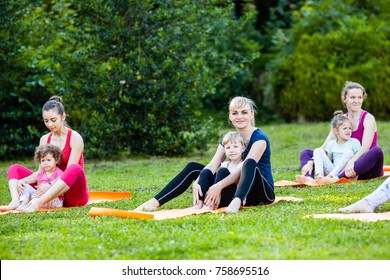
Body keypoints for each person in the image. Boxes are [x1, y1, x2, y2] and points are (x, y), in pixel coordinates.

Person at [135, 96, 275, 214]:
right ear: (230, 116)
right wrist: (199, 179)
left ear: (251, 115)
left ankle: (236, 203)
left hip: (259, 192)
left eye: (244, 112)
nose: (239, 117)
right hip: (234, 187)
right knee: (194, 168)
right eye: (235, 113)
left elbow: (243, 170)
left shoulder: (259, 139)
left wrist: (218, 186)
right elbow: (214, 164)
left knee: (249, 164)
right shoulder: (230, 139)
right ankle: (154, 202)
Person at [3, 96, 89, 212]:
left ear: (63, 117)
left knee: (75, 168)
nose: (49, 125)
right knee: (15, 168)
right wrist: (24, 181)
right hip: (51, 195)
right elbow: (40, 172)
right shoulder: (44, 139)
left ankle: (37, 203)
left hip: (72, 194)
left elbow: (70, 173)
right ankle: (15, 201)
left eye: (53, 120)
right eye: (46, 121)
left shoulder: (75, 138)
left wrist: (49, 184)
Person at [299, 81, 384, 183]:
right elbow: (326, 145)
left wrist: (351, 162)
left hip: (364, 166)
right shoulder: (340, 120)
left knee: (377, 151)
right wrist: (311, 161)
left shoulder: (368, 118)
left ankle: (336, 179)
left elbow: (365, 148)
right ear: (344, 99)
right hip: (341, 165)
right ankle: (310, 178)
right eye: (352, 97)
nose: (356, 101)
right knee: (307, 153)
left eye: (359, 97)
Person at [296, 111, 361, 183]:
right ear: (336, 131)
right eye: (344, 128)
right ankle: (319, 177)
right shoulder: (331, 144)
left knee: (349, 153)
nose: (348, 131)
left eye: (349, 128)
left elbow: (358, 159)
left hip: (344, 172)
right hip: (332, 170)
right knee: (318, 150)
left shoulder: (354, 142)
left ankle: (329, 178)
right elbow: (328, 160)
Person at [193, 131, 245, 210]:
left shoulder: (243, 164)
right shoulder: (224, 164)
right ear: (224, 150)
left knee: (222, 171)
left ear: (243, 148)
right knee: (206, 172)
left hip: (232, 198)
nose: (231, 150)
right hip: (218, 196)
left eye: (235, 146)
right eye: (228, 147)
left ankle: (210, 204)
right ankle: (199, 203)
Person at [18, 144, 64, 210]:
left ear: (56, 160)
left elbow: (62, 192)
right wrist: (36, 194)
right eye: (43, 160)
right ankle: (23, 203)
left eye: (48, 160)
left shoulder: (59, 173)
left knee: (42, 195)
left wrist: (47, 191)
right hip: (41, 200)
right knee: (26, 186)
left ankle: (29, 205)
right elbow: (39, 189)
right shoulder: (41, 174)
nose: (45, 163)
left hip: (55, 201)